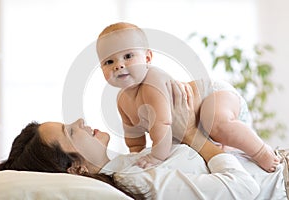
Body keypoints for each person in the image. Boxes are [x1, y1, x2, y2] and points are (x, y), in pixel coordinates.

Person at [0, 81, 268, 199]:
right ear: (75, 168)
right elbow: (244, 189)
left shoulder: (127, 163)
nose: (80, 122)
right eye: (70, 132)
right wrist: (190, 136)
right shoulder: (136, 180)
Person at [96, 22, 279, 172]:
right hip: (194, 125)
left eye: (128, 56)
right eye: (109, 61)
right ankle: (229, 148)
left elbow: (163, 124)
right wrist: (135, 155)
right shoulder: (121, 100)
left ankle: (262, 152)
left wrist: (155, 157)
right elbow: (133, 135)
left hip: (214, 94)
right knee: (189, 149)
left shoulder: (153, 82)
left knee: (215, 123)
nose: (118, 65)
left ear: (148, 58)